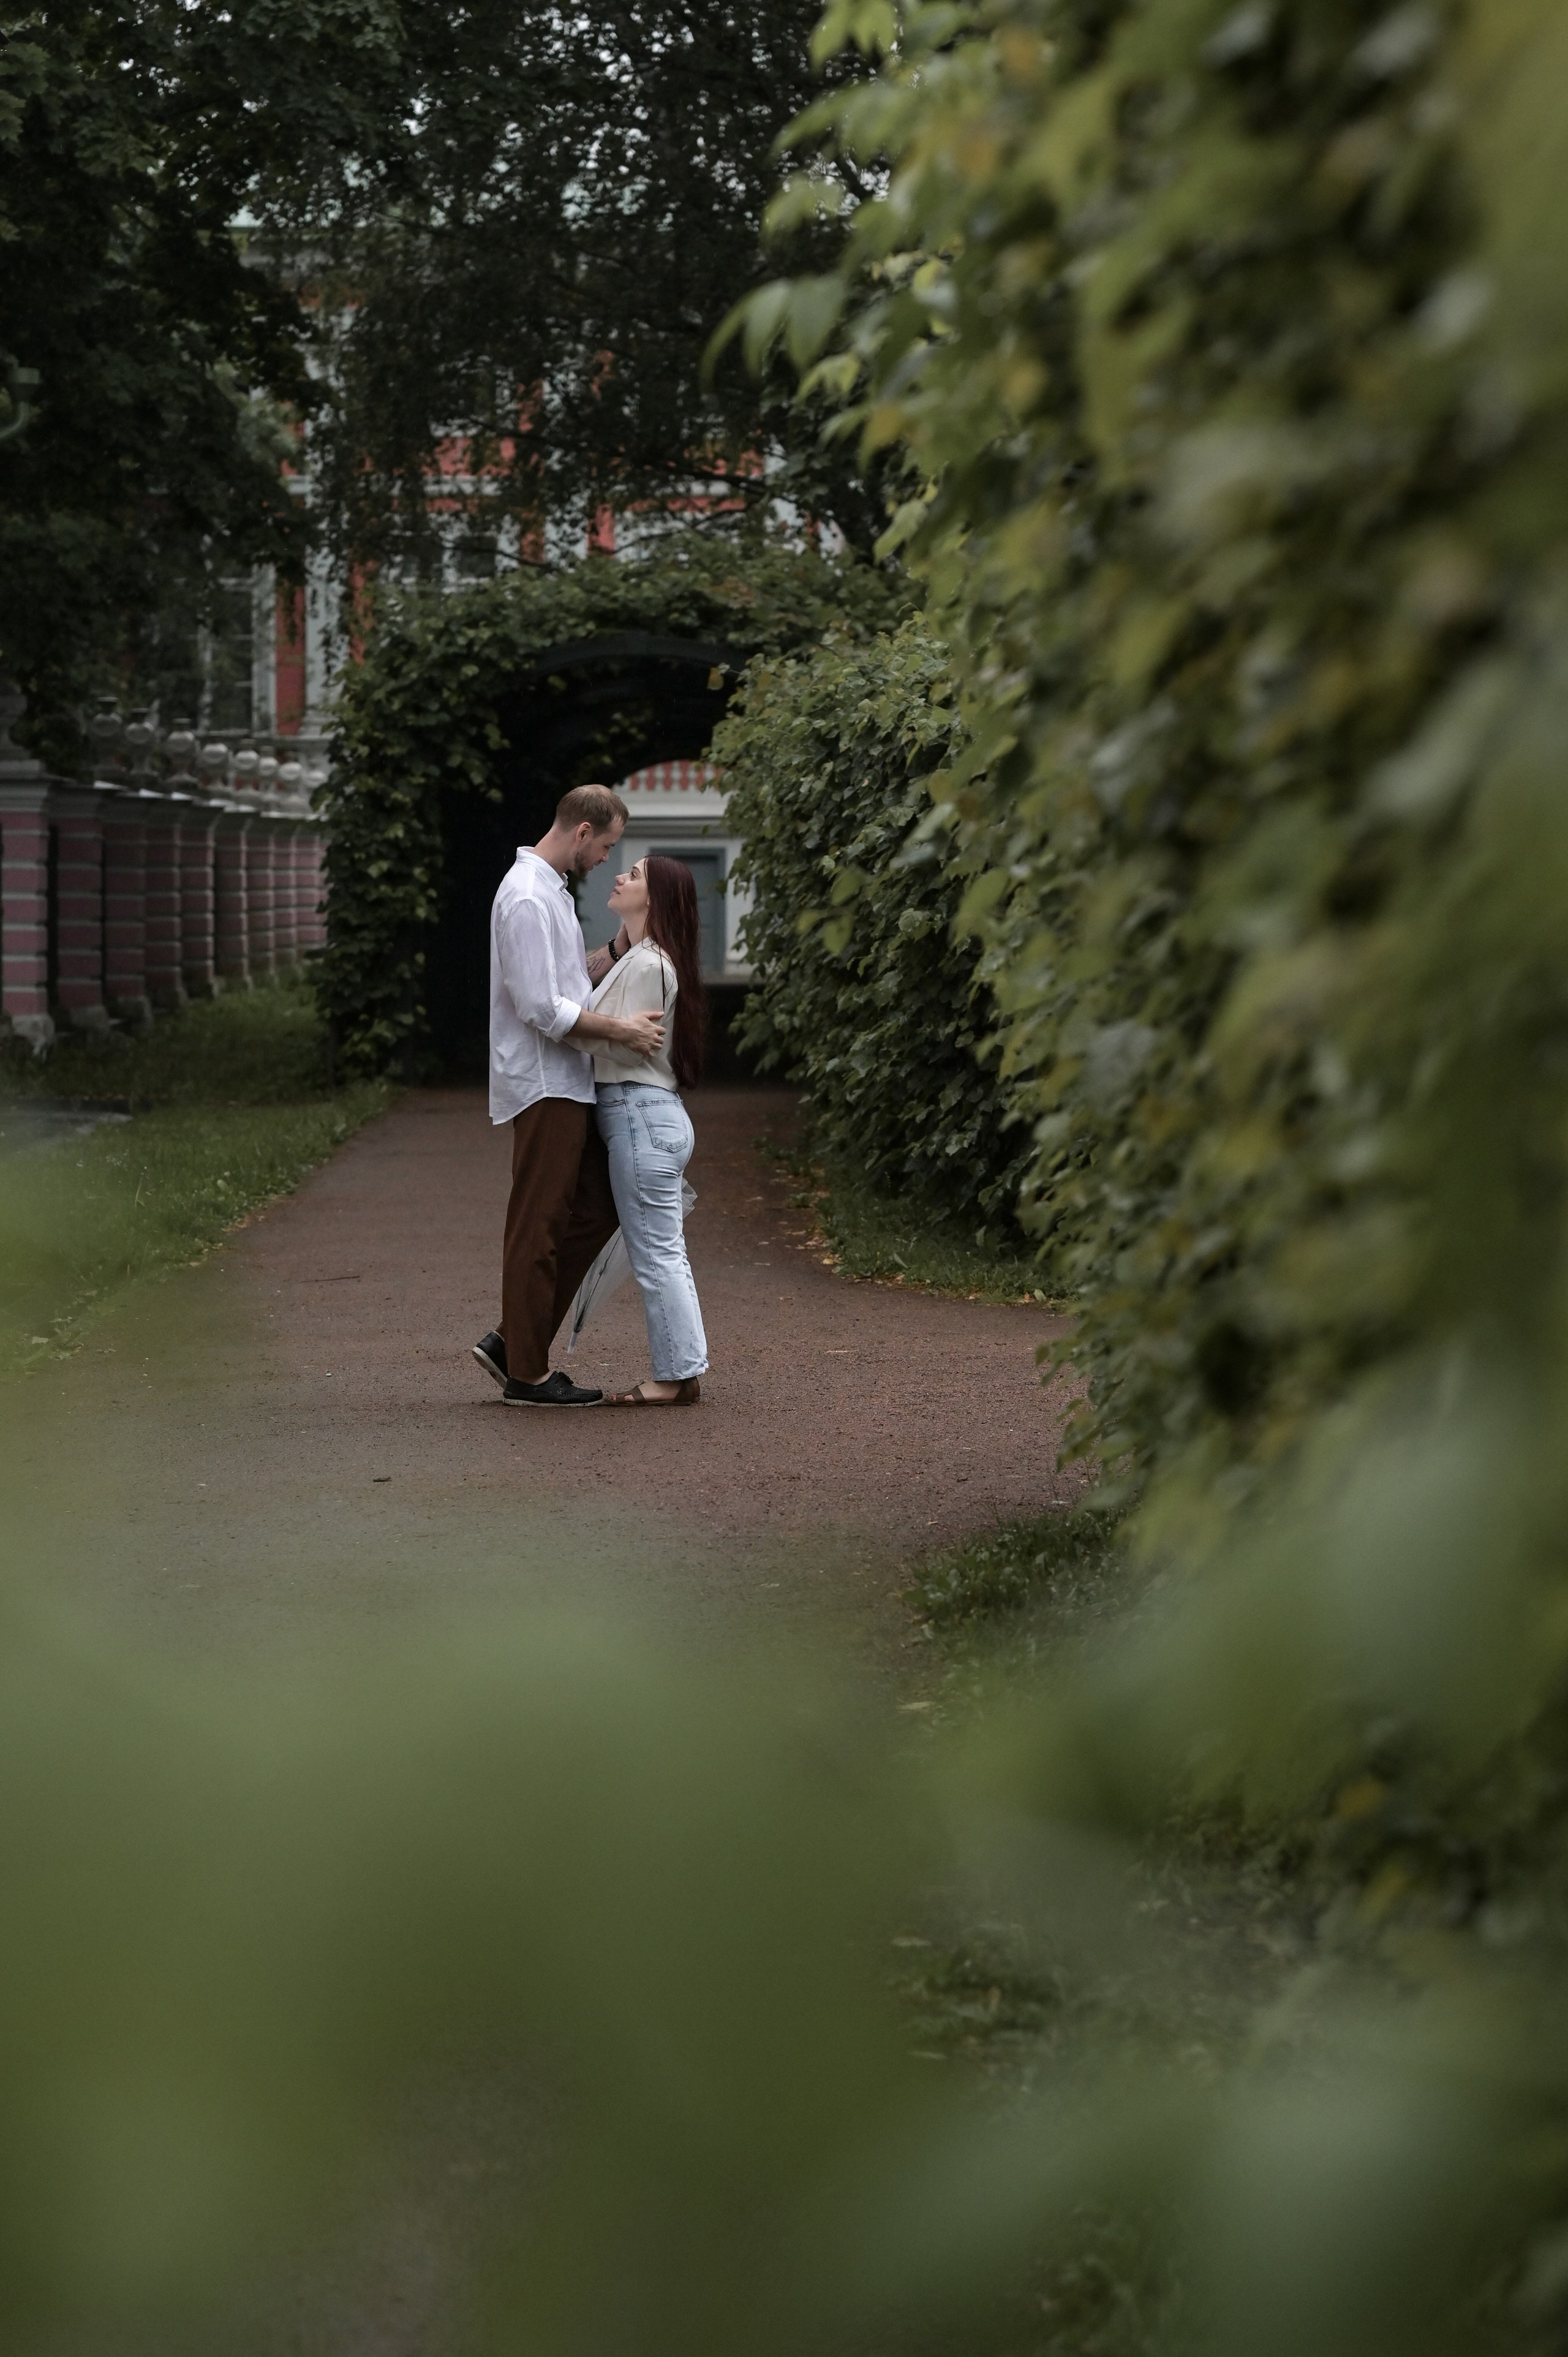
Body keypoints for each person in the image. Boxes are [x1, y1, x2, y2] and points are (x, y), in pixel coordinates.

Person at [471, 783, 665, 1407]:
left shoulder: (548, 890)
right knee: (540, 1224)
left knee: (597, 1203)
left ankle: (513, 1340)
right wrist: (620, 1030)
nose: (608, 858)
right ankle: (526, 1375)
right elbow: (537, 1005)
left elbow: (561, 981)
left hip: (565, 1079)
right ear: (583, 831)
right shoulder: (527, 895)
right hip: (545, 1082)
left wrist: (613, 952)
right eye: (607, 846)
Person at [587, 854, 709, 1405]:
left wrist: (546, 1016)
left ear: (653, 899)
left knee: (657, 1255)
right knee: (664, 1252)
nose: (620, 877)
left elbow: (591, 1035)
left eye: (633, 876)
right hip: (650, 1115)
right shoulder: (644, 959)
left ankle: (674, 1377)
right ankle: (680, 1371)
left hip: (639, 1114)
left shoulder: (647, 966)